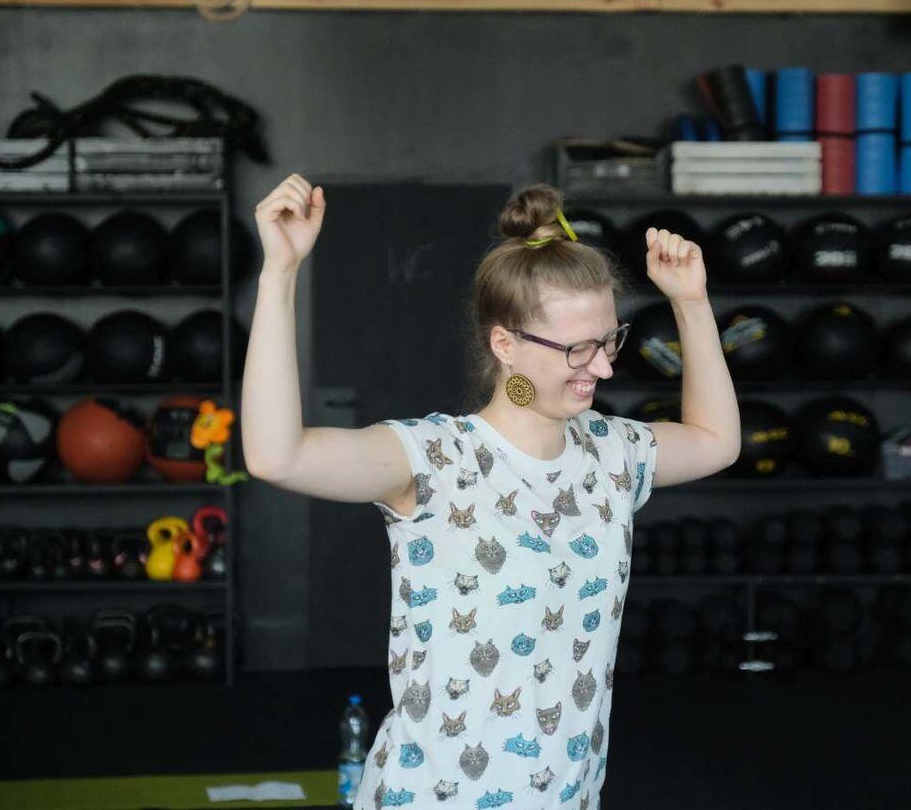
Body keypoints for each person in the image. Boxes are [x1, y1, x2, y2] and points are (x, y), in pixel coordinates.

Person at [241, 174, 740, 810]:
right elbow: (275, 455)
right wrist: (280, 271)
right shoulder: (434, 459)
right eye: (578, 349)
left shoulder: (613, 453)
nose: (604, 366)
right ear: (505, 343)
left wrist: (691, 302)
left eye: (609, 339)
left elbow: (716, 441)